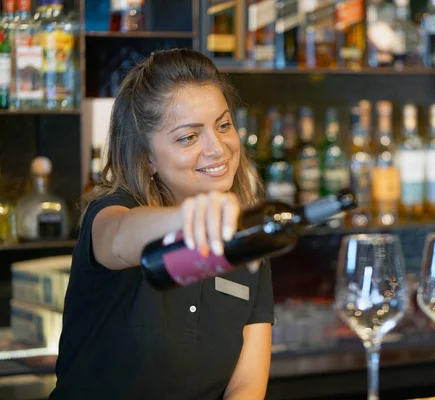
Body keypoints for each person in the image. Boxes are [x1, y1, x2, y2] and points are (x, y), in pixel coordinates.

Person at [49, 49, 274, 400]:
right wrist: (191, 217)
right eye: (189, 137)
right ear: (147, 158)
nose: (219, 148)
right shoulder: (111, 215)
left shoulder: (246, 239)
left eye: (224, 125)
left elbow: (246, 385)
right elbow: (120, 239)